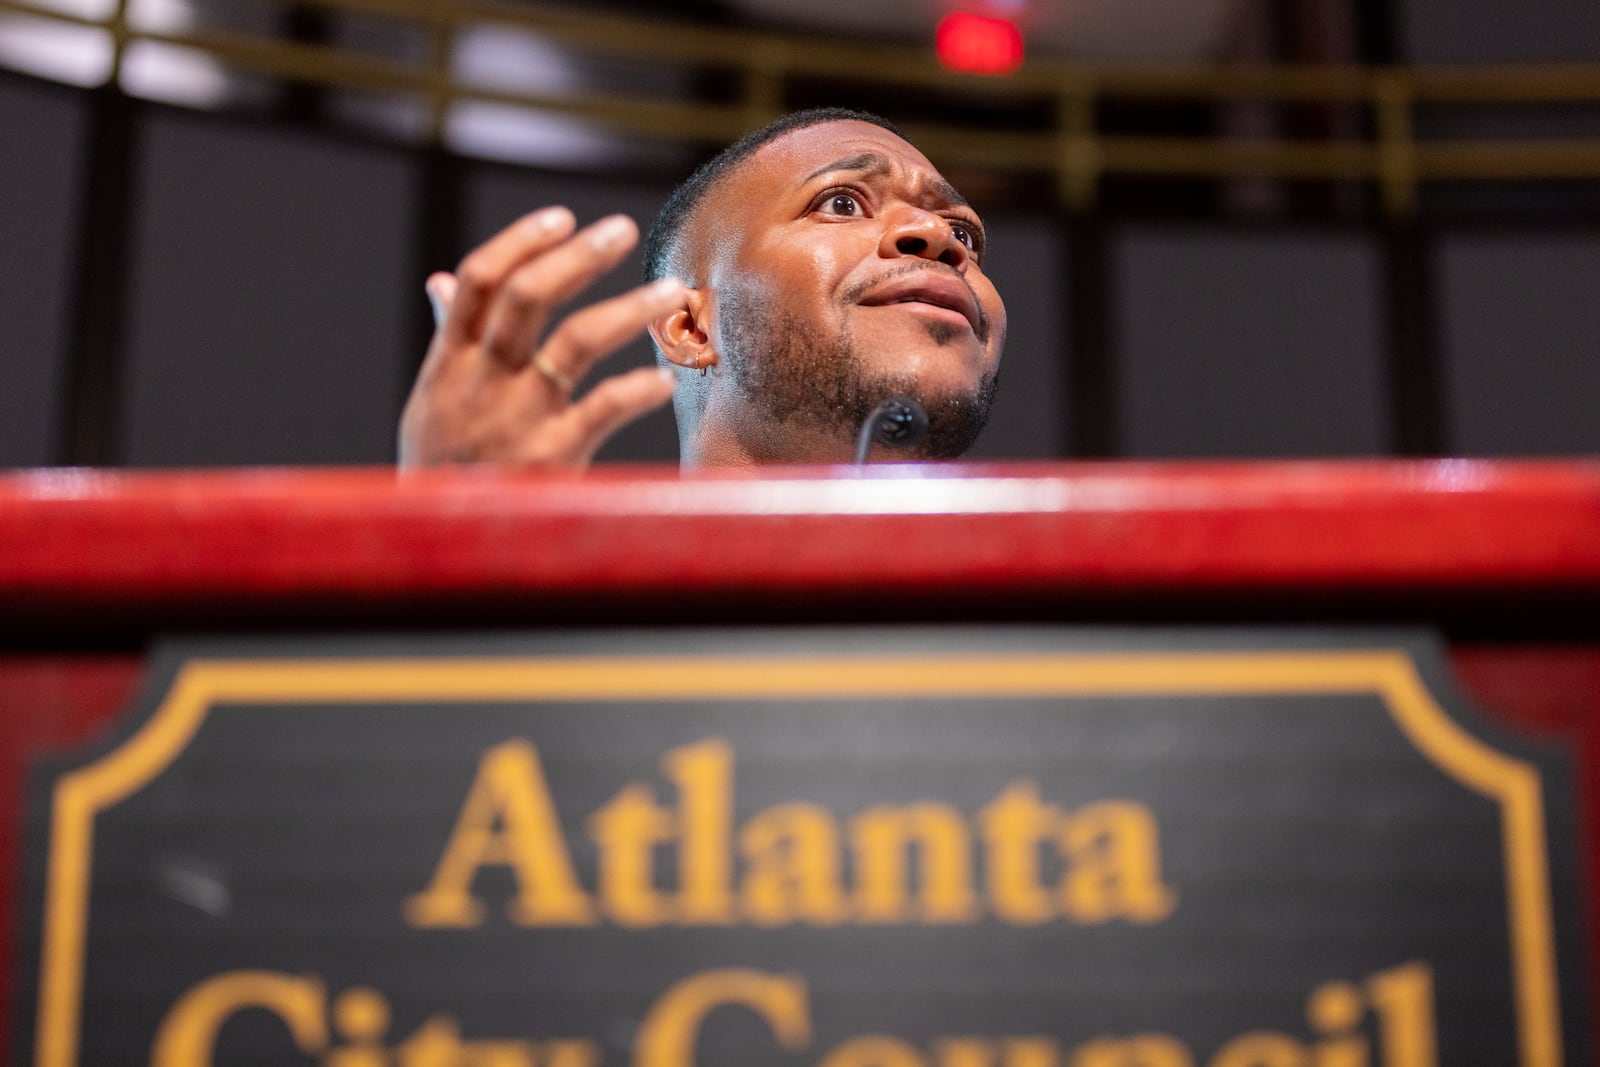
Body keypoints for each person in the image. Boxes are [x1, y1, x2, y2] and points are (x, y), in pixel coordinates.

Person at [398, 108, 1007, 468]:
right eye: (842, 203)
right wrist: (455, 547)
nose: (935, 234)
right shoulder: (577, 633)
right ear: (690, 327)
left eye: (965, 233)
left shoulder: (1075, 639)